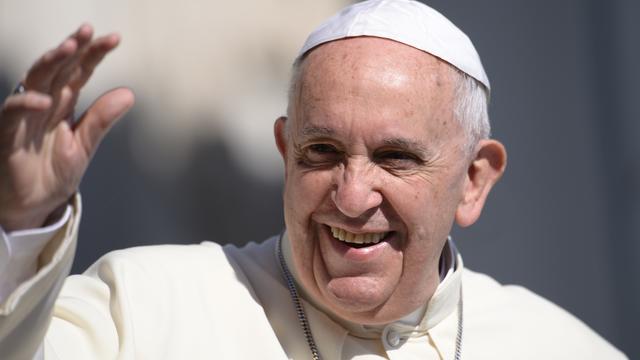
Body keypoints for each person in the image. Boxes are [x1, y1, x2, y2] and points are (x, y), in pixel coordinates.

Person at [0, 0, 627, 359]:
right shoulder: (139, 306)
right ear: (284, 152)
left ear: (473, 180)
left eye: (395, 158)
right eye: (321, 151)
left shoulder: (562, 350)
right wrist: (24, 224)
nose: (351, 197)